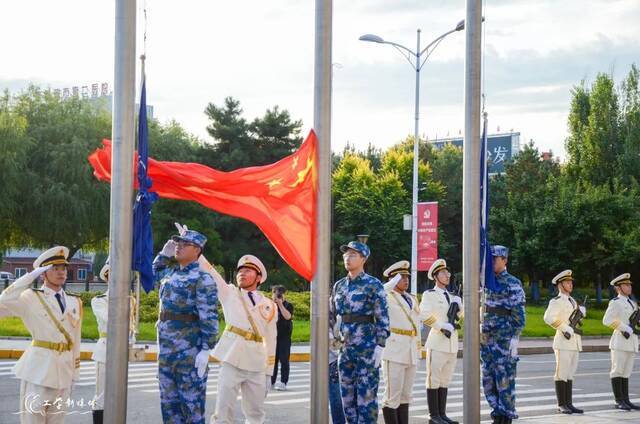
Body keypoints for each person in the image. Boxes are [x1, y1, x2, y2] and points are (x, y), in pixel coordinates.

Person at [0, 246, 82, 423]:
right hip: (39, 372)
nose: (61, 272)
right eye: (54, 268)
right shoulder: (30, 297)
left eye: (64, 268)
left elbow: (76, 339)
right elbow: (4, 300)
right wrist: (30, 276)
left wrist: (75, 373)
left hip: (64, 372)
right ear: (43, 273)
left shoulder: (74, 301)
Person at [199, 254, 277, 424]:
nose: (242, 273)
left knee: (255, 413)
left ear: (258, 277)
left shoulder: (270, 306)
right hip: (232, 359)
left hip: (257, 364)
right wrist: (197, 253)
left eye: (247, 271)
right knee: (223, 410)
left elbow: (271, 341)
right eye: (240, 271)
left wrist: (268, 373)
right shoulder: (230, 293)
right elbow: (212, 274)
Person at [153, 230, 219, 424]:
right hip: (167, 353)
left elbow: (209, 316)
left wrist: (206, 350)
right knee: (169, 407)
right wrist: (164, 254)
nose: (178, 247)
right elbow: (153, 273)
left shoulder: (202, 278)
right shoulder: (171, 274)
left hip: (189, 354)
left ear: (197, 250)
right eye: (177, 244)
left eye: (184, 244)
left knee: (192, 409)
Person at [330, 240, 390, 424]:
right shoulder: (339, 286)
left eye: (353, 255)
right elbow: (332, 315)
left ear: (363, 258)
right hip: (345, 349)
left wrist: (380, 345)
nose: (348, 258)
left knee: (366, 398)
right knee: (347, 398)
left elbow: (383, 317)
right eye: (346, 255)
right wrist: (332, 338)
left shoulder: (373, 284)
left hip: (366, 348)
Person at [480, 245, 526, 424]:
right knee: (488, 376)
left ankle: (506, 415)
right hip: (487, 337)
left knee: (504, 376)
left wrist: (516, 337)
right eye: (490, 259)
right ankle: (496, 411)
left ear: (505, 260)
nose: (492, 262)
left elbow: (518, 313)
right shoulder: (486, 281)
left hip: (504, 337)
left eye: (495, 259)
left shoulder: (512, 282)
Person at [90, 257, 137, 424]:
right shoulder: (99, 301)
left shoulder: (130, 301)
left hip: (122, 351)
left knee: (118, 394)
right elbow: (112, 321)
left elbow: (131, 328)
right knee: (102, 395)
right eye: (114, 276)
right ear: (107, 278)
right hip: (106, 350)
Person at [419, 259, 462, 424]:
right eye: (443, 273)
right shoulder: (430, 294)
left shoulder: (452, 296)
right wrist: (441, 326)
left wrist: (460, 306)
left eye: (448, 273)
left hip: (451, 344)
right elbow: (424, 314)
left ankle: (442, 415)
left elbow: (461, 316)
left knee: (445, 380)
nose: (447, 275)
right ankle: (433, 415)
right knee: (433, 379)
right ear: (435, 276)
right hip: (437, 342)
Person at [380, 261, 420, 424]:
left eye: (407, 277)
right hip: (394, 350)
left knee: (405, 396)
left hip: (411, 350)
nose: (406, 280)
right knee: (392, 396)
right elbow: (376, 294)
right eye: (401, 277)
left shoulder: (411, 298)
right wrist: (388, 285)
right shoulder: (386, 295)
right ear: (393, 279)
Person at [543, 269, 585, 414]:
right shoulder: (556, 301)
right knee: (562, 372)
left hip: (574, 342)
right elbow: (548, 317)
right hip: (563, 341)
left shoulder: (573, 301)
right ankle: (561, 404)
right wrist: (565, 328)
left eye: (571, 282)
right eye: (567, 282)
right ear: (560, 285)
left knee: (570, 373)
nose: (570, 284)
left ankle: (569, 403)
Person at [602, 273, 640, 411]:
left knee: (626, 372)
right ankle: (618, 400)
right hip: (620, 341)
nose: (629, 287)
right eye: (625, 285)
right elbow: (607, 320)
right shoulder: (615, 302)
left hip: (632, 342)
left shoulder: (633, 303)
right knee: (617, 371)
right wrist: (625, 328)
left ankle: (626, 400)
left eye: (629, 285)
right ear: (618, 288)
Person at [271, 285, 294, 391]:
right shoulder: (269, 306)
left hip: (284, 337)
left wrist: (280, 305)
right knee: (272, 360)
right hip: (272, 337)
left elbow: (288, 317)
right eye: (275, 294)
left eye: (280, 294)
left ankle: (283, 382)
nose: (277, 296)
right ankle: (271, 381)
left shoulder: (288, 305)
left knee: (284, 360)